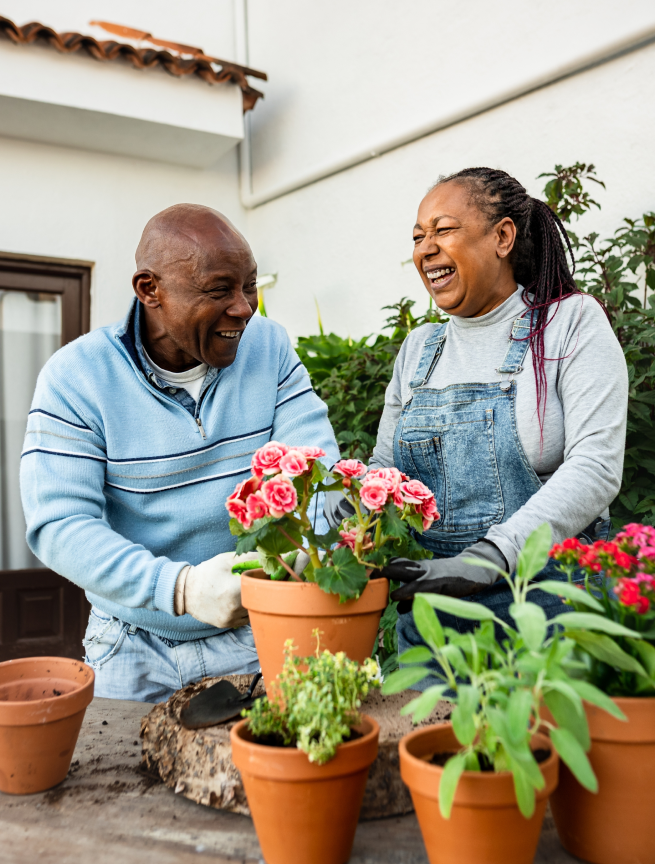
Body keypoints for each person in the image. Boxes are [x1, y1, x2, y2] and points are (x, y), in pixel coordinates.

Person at [21, 204, 339, 702]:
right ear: (150, 290)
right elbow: (59, 525)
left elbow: (319, 475)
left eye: (250, 285)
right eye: (219, 290)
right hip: (131, 644)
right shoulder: (77, 378)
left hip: (255, 631)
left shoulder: (270, 349)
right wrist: (181, 588)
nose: (244, 307)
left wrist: (308, 551)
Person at [364, 168, 627, 684]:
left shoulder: (569, 323)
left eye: (443, 230)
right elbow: (384, 472)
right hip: (433, 631)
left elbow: (596, 467)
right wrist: (344, 502)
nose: (426, 249)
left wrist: (492, 555)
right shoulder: (419, 350)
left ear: (503, 237)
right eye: (418, 237)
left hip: (547, 614)